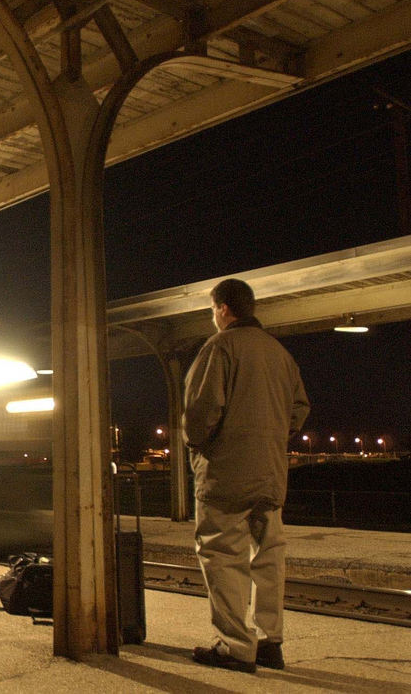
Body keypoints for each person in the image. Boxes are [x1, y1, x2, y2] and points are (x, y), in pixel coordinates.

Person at [183, 278, 310, 673]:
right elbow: (299, 410)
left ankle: (236, 647)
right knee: (269, 557)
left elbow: (202, 413)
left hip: (227, 476)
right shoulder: (281, 354)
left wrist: (197, 444)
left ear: (222, 309)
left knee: (224, 556)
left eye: (212, 310)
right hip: (270, 475)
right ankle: (270, 642)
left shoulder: (220, 347)